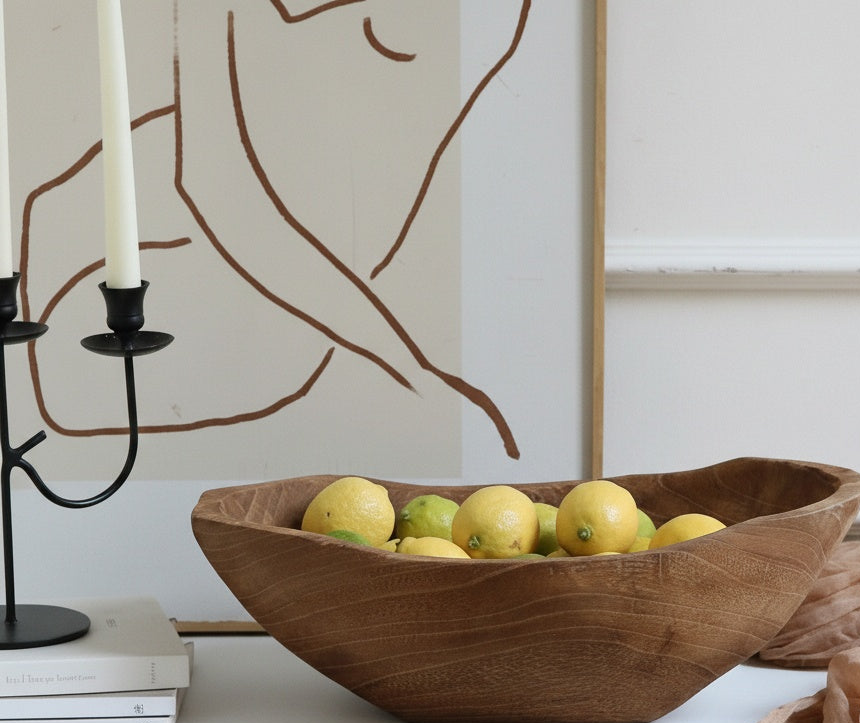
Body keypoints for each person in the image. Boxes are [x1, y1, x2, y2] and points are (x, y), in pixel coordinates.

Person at [19, 0, 529, 461]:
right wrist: (415, 377)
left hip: (298, 297)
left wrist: (411, 374)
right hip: (134, 285)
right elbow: (212, 184)